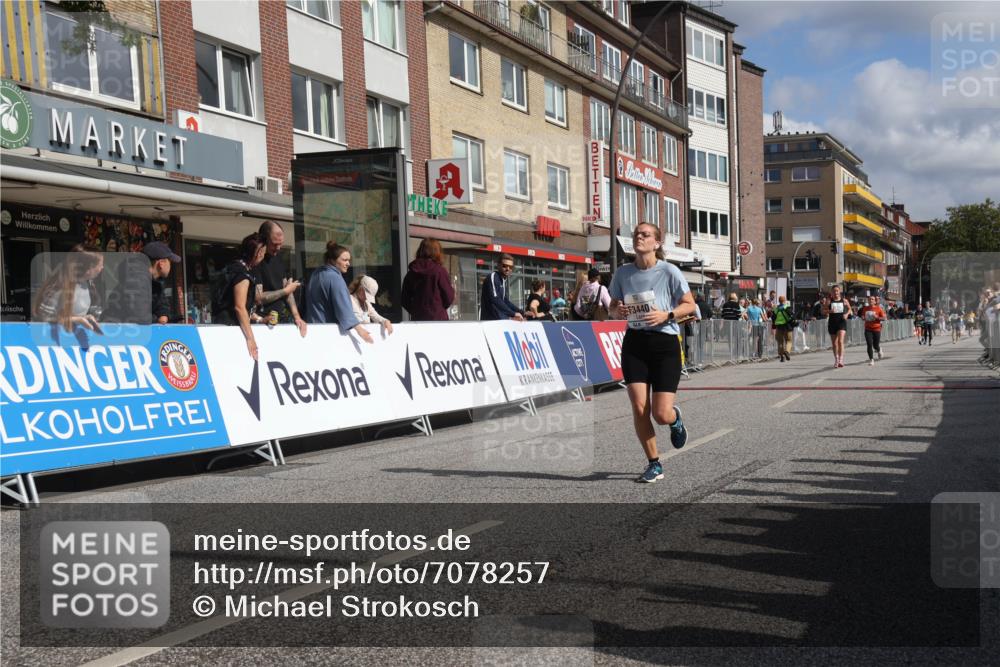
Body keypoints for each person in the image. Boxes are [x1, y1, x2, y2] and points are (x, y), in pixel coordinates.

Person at [609, 222, 696, 484]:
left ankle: (674, 419)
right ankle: (654, 463)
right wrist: (618, 311)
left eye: (645, 235)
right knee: (639, 407)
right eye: (636, 234)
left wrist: (666, 314)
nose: (639, 237)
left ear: (657, 243)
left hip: (664, 345)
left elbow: (689, 305)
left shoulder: (669, 271)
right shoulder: (623, 273)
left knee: (660, 413)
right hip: (635, 343)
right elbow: (612, 307)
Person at [305, 241, 374, 344]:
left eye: (349, 260)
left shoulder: (315, 274)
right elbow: (343, 308)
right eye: (344, 260)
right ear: (332, 260)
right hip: (328, 333)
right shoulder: (335, 279)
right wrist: (360, 330)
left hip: (311, 329)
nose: (348, 263)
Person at [212, 233, 267, 360]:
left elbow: (240, 306)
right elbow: (239, 307)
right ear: (257, 254)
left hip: (221, 326)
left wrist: (260, 319)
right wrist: (251, 339)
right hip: (230, 329)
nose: (263, 256)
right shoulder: (242, 275)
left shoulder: (233, 268)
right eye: (262, 252)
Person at [33, 244, 104, 333]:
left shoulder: (88, 284)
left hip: (72, 337)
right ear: (88, 267)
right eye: (100, 265)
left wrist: (84, 318)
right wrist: (74, 319)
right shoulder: (58, 284)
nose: (102, 268)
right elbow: (42, 318)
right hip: (50, 340)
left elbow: (75, 315)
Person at [255, 221, 307, 336]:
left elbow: (287, 289)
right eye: (274, 244)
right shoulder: (256, 260)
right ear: (264, 240)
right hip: (262, 323)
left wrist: (297, 317)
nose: (278, 248)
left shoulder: (278, 257)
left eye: (281, 244)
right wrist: (286, 291)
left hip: (281, 320)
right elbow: (258, 298)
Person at [401, 238, 454, 321]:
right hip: (438, 319)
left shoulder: (411, 273)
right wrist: (437, 308)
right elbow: (449, 297)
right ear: (437, 252)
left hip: (418, 320)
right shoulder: (439, 271)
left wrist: (416, 310)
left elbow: (404, 300)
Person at [141, 241, 181, 324]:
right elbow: (138, 315)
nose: (170, 265)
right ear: (161, 264)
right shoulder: (134, 280)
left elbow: (163, 304)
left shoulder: (157, 282)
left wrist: (164, 315)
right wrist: (158, 320)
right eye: (169, 261)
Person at [480, 254, 524, 321]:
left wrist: (522, 312)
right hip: (489, 322)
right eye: (504, 266)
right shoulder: (493, 277)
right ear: (498, 265)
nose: (508, 269)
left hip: (499, 321)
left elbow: (505, 302)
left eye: (510, 267)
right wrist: (513, 314)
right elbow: (495, 299)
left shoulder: (503, 280)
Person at [822, 284, 851, 368]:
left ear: (839, 292)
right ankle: (836, 359)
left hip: (841, 322)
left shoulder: (844, 301)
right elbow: (823, 311)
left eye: (837, 291)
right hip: (832, 323)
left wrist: (846, 314)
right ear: (831, 292)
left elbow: (849, 309)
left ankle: (841, 360)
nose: (836, 292)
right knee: (834, 344)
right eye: (834, 291)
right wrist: (830, 311)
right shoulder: (829, 301)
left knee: (840, 341)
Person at [859, 295, 886, 366]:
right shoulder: (865, 308)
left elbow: (884, 318)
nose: (871, 300)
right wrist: (863, 317)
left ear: (875, 301)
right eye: (869, 299)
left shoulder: (879, 308)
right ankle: (871, 359)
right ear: (868, 301)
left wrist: (877, 317)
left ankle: (879, 349)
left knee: (875, 345)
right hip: (868, 329)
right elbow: (863, 316)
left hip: (876, 328)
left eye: (872, 299)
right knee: (869, 344)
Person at [772, 294, 795, 362]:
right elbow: (792, 316)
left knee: (780, 342)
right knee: (789, 340)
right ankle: (787, 351)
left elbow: (773, 318)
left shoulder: (776, 309)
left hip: (779, 327)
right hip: (787, 326)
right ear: (785, 301)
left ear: (779, 301)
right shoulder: (787, 307)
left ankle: (782, 356)